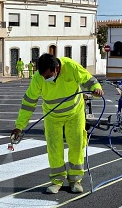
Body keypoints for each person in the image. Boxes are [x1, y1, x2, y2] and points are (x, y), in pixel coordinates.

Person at [10, 53, 103, 194]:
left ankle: (75, 180)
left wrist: (96, 87)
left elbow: (88, 79)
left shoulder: (71, 66)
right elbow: (29, 103)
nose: (46, 79)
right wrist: (19, 126)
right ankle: (57, 180)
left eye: (48, 76)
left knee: (77, 144)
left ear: (57, 68)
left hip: (74, 113)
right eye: (43, 76)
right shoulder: (38, 79)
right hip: (52, 116)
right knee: (54, 147)